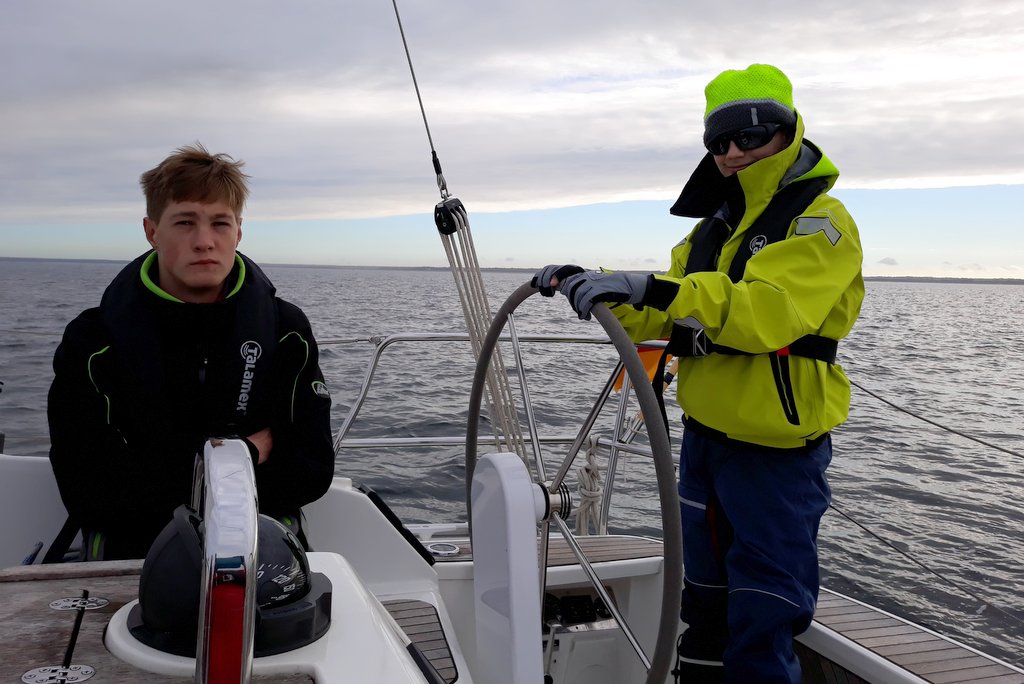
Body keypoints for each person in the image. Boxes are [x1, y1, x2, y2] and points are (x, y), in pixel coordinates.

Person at [534, 64, 864, 683]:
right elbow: (664, 306)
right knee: (704, 601)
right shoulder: (712, 232)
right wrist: (598, 287)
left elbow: (768, 313)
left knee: (763, 612)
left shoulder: (822, 224)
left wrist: (656, 287)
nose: (734, 152)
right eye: (719, 141)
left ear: (788, 131)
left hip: (776, 456)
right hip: (705, 442)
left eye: (750, 134)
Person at [47, 144, 335, 561]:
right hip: (132, 556)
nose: (204, 242)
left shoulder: (285, 331)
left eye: (220, 223)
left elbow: (310, 472)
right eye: (184, 222)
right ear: (151, 231)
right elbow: (89, 491)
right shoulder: (92, 343)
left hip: (260, 550)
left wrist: (153, 464)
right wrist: (247, 455)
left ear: (238, 232)